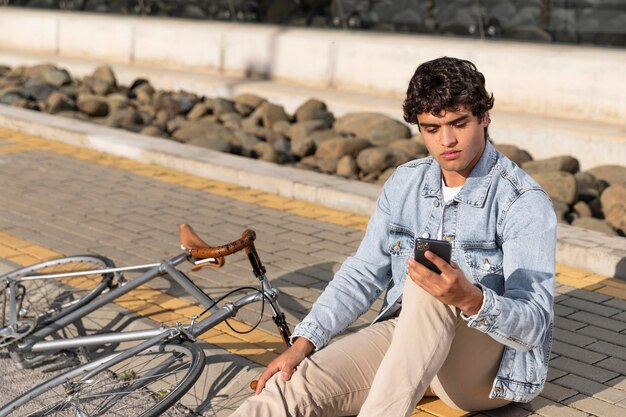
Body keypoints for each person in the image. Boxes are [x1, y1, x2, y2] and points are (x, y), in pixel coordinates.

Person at [231, 57, 557, 417]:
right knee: (287, 389)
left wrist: (470, 299)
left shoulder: (522, 201)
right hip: (410, 344)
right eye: (431, 129)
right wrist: (302, 344)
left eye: (458, 124)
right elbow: (362, 272)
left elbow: (534, 324)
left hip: (484, 375)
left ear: (484, 117)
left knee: (427, 281)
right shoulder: (405, 183)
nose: (446, 140)